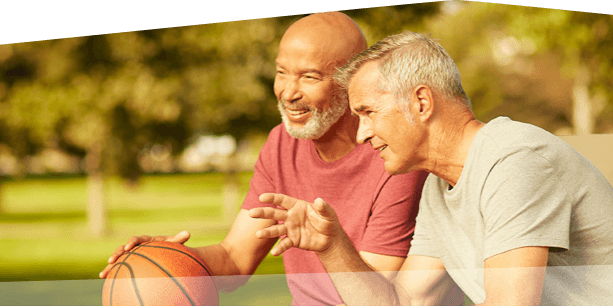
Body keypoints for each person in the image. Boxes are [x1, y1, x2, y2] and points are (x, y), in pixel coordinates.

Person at [249, 31, 613, 305]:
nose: (362, 134)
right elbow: (406, 301)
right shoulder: (439, 188)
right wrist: (334, 247)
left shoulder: (514, 163)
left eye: (369, 113)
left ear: (422, 103)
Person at [98, 13, 435, 306]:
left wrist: (329, 244)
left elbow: (376, 297)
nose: (288, 92)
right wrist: (168, 258)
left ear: (352, 82)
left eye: (309, 77)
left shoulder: (394, 154)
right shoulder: (281, 144)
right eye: (282, 72)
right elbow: (234, 259)